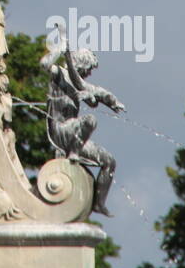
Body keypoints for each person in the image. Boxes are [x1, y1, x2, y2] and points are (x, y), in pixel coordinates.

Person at [41, 43, 124, 215]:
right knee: (90, 120)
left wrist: (114, 102)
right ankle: (73, 153)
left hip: (75, 135)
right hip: (61, 130)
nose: (90, 73)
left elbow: (100, 94)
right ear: (82, 64)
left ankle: (98, 203)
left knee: (109, 162)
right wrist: (60, 50)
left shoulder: (81, 85)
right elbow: (44, 64)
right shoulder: (59, 74)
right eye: (89, 68)